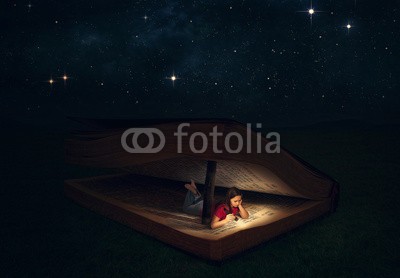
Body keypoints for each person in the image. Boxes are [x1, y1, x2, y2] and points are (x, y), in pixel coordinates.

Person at [182, 180, 249, 229]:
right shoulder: (222, 209)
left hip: (209, 204)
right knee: (186, 208)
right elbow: (213, 225)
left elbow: (245, 216)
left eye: (239, 200)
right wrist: (226, 220)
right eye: (235, 201)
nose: (238, 203)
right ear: (229, 199)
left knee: (198, 201)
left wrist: (240, 205)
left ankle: (195, 191)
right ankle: (192, 191)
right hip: (204, 209)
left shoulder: (236, 206)